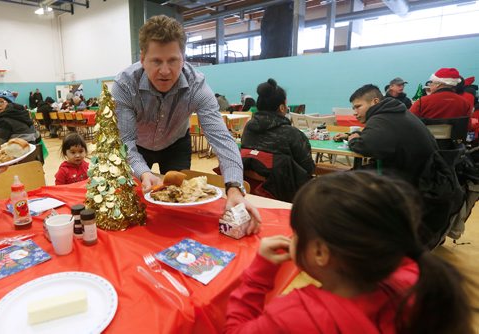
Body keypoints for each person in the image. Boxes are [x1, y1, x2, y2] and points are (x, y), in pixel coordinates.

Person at [225, 171, 472, 334]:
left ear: (320, 252)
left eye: (297, 231)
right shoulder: (418, 280)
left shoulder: (295, 316)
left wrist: (259, 275)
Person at [112, 15, 261, 233]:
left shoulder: (196, 86)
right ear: (142, 58)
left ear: (183, 57)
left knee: (179, 203)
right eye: (156, 61)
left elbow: (222, 139)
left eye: (173, 60)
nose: (165, 70)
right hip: (138, 147)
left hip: (175, 143)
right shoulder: (124, 85)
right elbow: (126, 143)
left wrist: (234, 188)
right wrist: (143, 172)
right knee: (139, 201)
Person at [333, 84, 461, 247]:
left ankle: (355, 233)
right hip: (429, 181)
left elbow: (366, 146)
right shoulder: (395, 113)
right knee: (355, 174)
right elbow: (378, 137)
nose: (355, 112)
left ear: (374, 101)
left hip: (413, 186)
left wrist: (352, 138)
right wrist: (356, 134)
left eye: (358, 106)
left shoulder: (381, 118)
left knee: (343, 182)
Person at [241, 78, 314, 201]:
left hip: (247, 191)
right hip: (282, 195)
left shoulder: (248, 127)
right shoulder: (292, 133)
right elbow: (308, 169)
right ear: (281, 107)